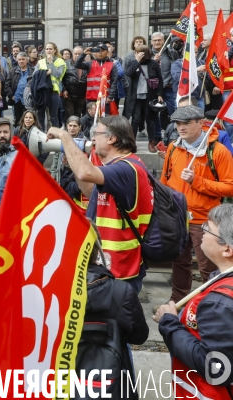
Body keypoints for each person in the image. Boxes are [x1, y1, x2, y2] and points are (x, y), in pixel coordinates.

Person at [47, 116, 154, 294]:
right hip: (110, 264)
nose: (93, 139)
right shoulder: (120, 166)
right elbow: (91, 192)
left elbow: (84, 173)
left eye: (96, 134)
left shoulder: (126, 168)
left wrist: (65, 137)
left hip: (120, 269)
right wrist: (74, 162)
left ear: (112, 139)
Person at [154, 204, 233, 399]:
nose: (202, 232)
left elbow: (216, 368)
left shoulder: (219, 303)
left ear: (227, 249)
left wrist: (169, 322)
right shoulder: (220, 282)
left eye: (207, 228)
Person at [160, 105, 233, 303]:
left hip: (204, 220)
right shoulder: (173, 147)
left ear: (201, 123)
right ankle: (179, 301)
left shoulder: (218, 151)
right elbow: (165, 181)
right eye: (177, 123)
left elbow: (230, 187)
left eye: (186, 123)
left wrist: (197, 182)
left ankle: (208, 303)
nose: (180, 127)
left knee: (207, 266)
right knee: (179, 262)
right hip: (177, 216)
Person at [81, 220, 149, 399]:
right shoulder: (121, 291)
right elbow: (139, 336)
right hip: (111, 379)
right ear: (97, 249)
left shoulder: (47, 293)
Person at [124, 44, 164, 152]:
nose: (136, 54)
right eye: (136, 52)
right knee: (135, 119)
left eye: (138, 52)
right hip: (135, 97)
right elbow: (128, 73)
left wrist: (160, 94)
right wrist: (136, 60)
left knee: (150, 120)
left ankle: (151, 142)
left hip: (149, 96)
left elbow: (160, 79)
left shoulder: (153, 64)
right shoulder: (133, 63)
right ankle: (132, 143)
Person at [75, 43, 119, 114]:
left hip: (104, 98)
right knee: (90, 118)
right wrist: (84, 54)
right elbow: (77, 64)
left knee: (103, 119)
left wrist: (110, 96)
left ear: (107, 52)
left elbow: (114, 82)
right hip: (91, 98)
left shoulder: (112, 65)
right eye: (98, 50)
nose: (100, 52)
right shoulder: (90, 63)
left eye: (103, 50)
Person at [35, 42, 66, 130]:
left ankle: (55, 136)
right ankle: (40, 135)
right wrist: (45, 73)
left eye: (50, 49)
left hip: (53, 92)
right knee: (40, 116)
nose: (48, 51)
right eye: (47, 49)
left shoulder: (60, 61)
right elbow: (35, 75)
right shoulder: (40, 61)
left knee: (53, 117)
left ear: (55, 50)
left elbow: (58, 75)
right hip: (42, 91)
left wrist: (50, 63)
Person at [151, 32, 179, 129]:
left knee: (172, 112)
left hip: (169, 87)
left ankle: (172, 133)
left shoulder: (171, 53)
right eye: (155, 40)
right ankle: (156, 136)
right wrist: (153, 61)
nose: (157, 42)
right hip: (153, 89)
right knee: (153, 114)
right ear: (151, 42)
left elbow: (177, 67)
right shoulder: (148, 54)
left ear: (163, 41)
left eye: (159, 40)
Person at [51, 115, 86, 183]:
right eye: (70, 125)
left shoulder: (84, 143)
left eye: (75, 126)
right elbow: (56, 158)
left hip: (76, 175)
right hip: (62, 171)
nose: (72, 128)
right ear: (67, 126)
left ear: (79, 127)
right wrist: (53, 175)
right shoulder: (60, 140)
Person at [6, 51, 35, 125]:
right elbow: (7, 84)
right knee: (18, 119)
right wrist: (11, 96)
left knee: (29, 119)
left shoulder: (33, 70)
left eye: (23, 59)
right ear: (17, 60)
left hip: (29, 99)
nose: (21, 61)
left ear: (27, 60)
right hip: (17, 99)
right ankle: (18, 134)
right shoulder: (13, 71)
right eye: (19, 59)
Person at [62, 46, 87, 120]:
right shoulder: (66, 64)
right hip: (69, 95)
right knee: (70, 116)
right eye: (75, 54)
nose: (77, 56)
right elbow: (61, 79)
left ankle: (77, 131)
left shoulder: (86, 64)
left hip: (82, 95)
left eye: (79, 54)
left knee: (78, 116)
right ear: (72, 54)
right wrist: (64, 89)